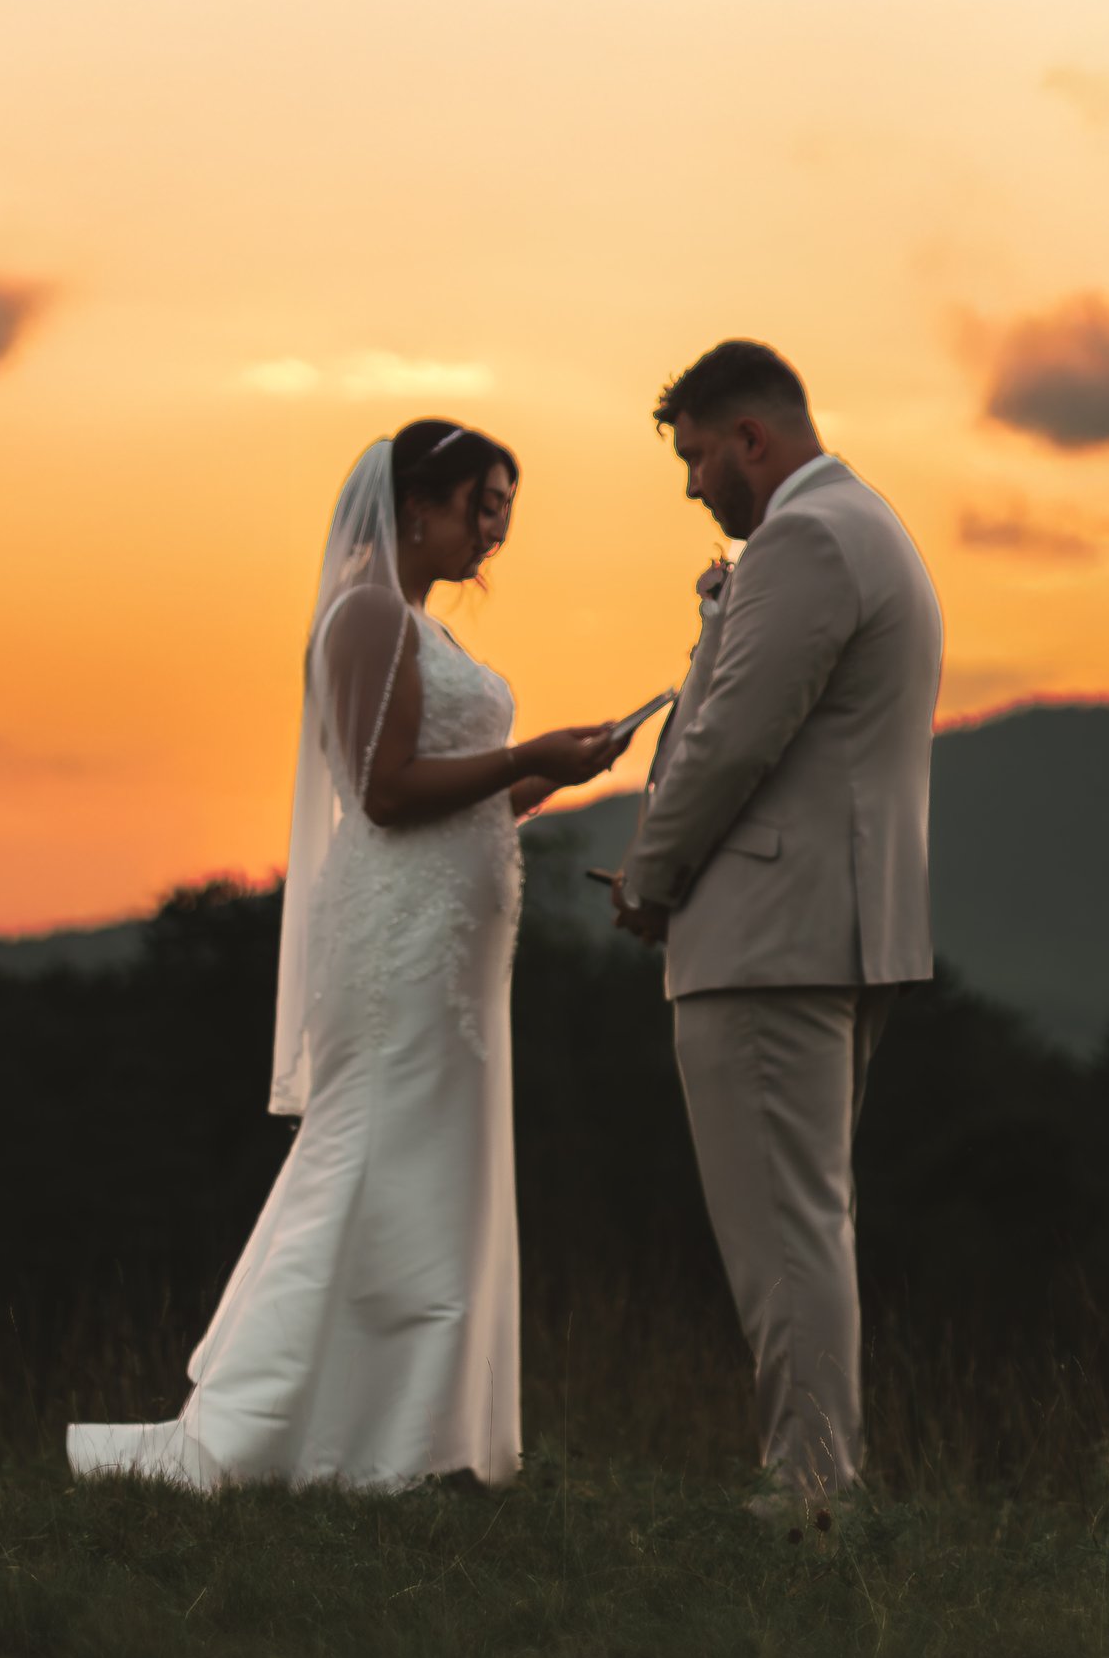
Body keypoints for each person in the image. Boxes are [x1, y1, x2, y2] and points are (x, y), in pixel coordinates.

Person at [69, 420, 623, 1492]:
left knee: (433, 1173)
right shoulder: (368, 615)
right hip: (400, 942)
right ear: (417, 502)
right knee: (367, 1150)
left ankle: (417, 1437)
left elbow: (463, 805)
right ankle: (262, 1425)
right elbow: (384, 792)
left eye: (505, 508)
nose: (495, 530)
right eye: (483, 503)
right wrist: (526, 749)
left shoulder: (420, 623)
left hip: (452, 941)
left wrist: (557, 774)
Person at [612, 341, 943, 1530]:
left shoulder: (806, 541)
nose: (694, 486)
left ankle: (810, 1497)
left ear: (751, 437)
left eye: (698, 457)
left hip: (769, 936)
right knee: (809, 1216)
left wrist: (649, 880)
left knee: (783, 1230)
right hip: (837, 928)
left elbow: (727, 743)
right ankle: (819, 1482)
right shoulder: (869, 526)